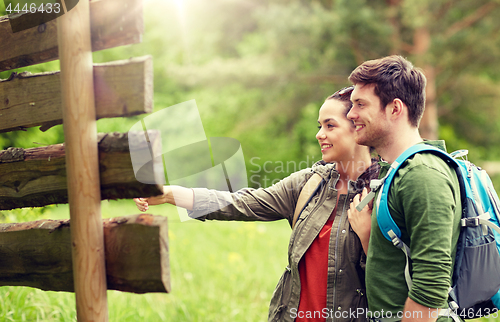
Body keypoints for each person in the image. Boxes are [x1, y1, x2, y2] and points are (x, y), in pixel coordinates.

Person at [135, 88, 380, 322]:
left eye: (330, 125)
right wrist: (169, 194)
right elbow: (241, 202)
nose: (319, 134)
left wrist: (368, 237)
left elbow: (399, 279)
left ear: (357, 127)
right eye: (319, 126)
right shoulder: (309, 184)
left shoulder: (385, 191)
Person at [346, 55, 462, 322]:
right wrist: (369, 237)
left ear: (395, 108)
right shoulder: (397, 170)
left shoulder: (422, 175)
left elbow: (431, 285)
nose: (351, 114)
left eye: (360, 104)